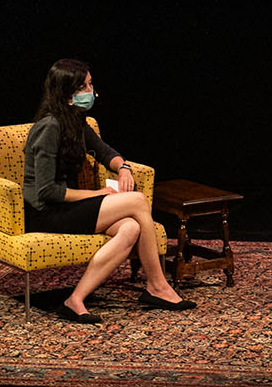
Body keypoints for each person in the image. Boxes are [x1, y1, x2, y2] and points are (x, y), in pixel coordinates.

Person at [22, 57, 193, 323]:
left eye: (91, 84)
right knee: (136, 201)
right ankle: (157, 287)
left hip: (68, 206)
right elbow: (47, 192)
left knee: (131, 228)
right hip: (46, 212)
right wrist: (98, 194)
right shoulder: (49, 128)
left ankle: (74, 300)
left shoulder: (76, 120)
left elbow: (104, 152)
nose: (93, 91)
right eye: (86, 86)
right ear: (69, 94)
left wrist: (123, 167)